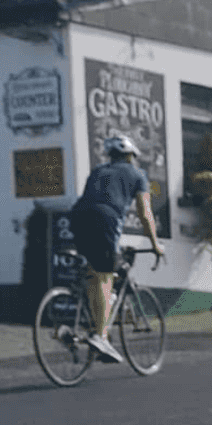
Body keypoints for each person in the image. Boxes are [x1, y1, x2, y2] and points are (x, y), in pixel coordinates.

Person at [69, 134, 163, 363]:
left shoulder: (98, 172)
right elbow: (145, 213)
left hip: (77, 217)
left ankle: (88, 326)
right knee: (105, 275)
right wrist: (155, 245)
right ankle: (100, 336)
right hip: (106, 220)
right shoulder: (137, 174)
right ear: (131, 155)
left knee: (95, 273)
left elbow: (92, 201)